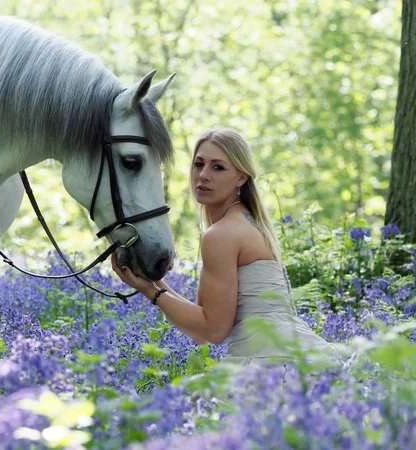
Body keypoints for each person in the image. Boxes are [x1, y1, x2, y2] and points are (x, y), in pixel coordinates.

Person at [112, 127, 332, 365]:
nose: (204, 175)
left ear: (241, 177)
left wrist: (148, 290)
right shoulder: (247, 223)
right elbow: (200, 329)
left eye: (218, 167)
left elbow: (213, 332)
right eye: (199, 164)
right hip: (295, 354)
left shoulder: (222, 235)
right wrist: (154, 284)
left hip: (269, 362)